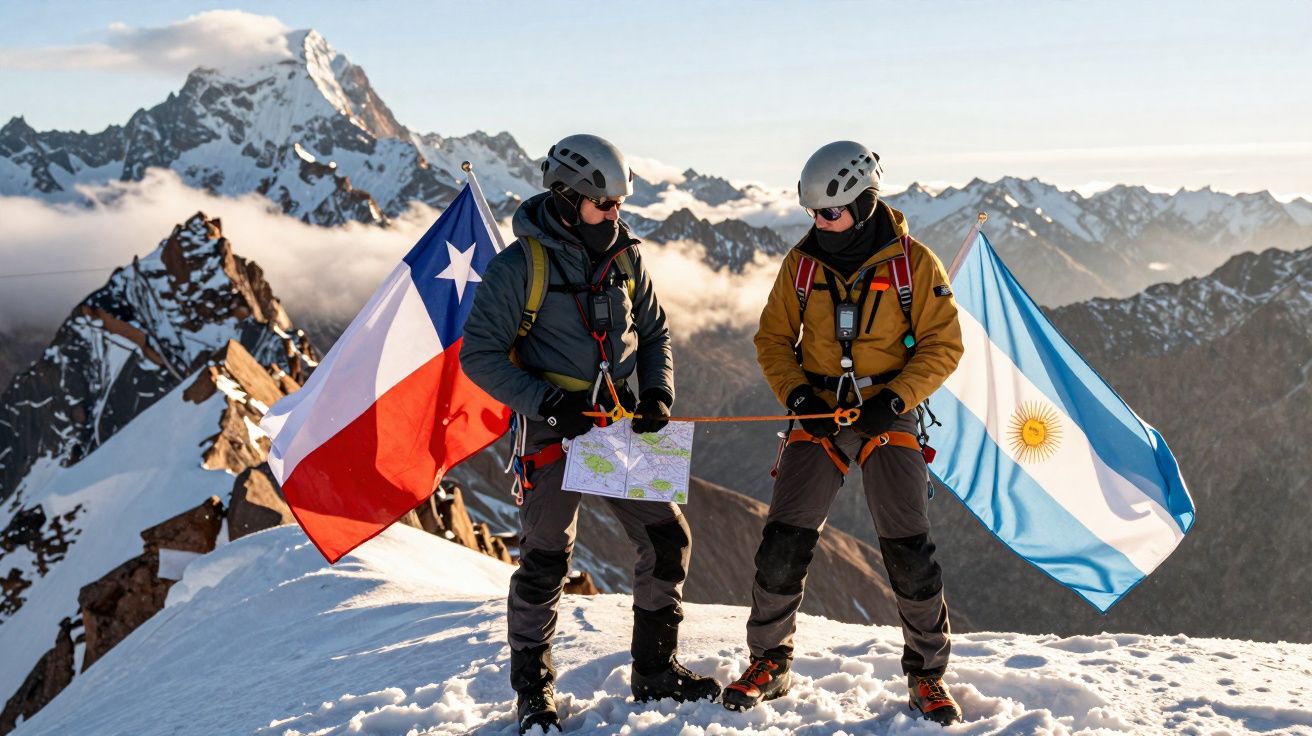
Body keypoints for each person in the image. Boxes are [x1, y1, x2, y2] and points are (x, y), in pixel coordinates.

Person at [461, 133, 720, 734]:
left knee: (666, 539)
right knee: (546, 561)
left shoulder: (626, 257)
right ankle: (533, 693)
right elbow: (479, 356)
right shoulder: (519, 267)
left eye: (619, 203)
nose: (615, 213)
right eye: (603, 204)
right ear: (566, 197)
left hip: (616, 422)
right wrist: (550, 405)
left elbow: (654, 333)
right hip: (552, 432)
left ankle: (655, 671)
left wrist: (657, 394)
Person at [721, 141, 965, 725]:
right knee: (783, 542)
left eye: (830, 212)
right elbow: (773, 339)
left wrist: (896, 399)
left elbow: (943, 345)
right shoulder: (802, 264)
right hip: (819, 411)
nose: (820, 223)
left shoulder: (913, 263)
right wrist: (798, 396)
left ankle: (927, 675)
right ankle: (769, 662)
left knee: (908, 550)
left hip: (887, 412)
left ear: (863, 202)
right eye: (813, 213)